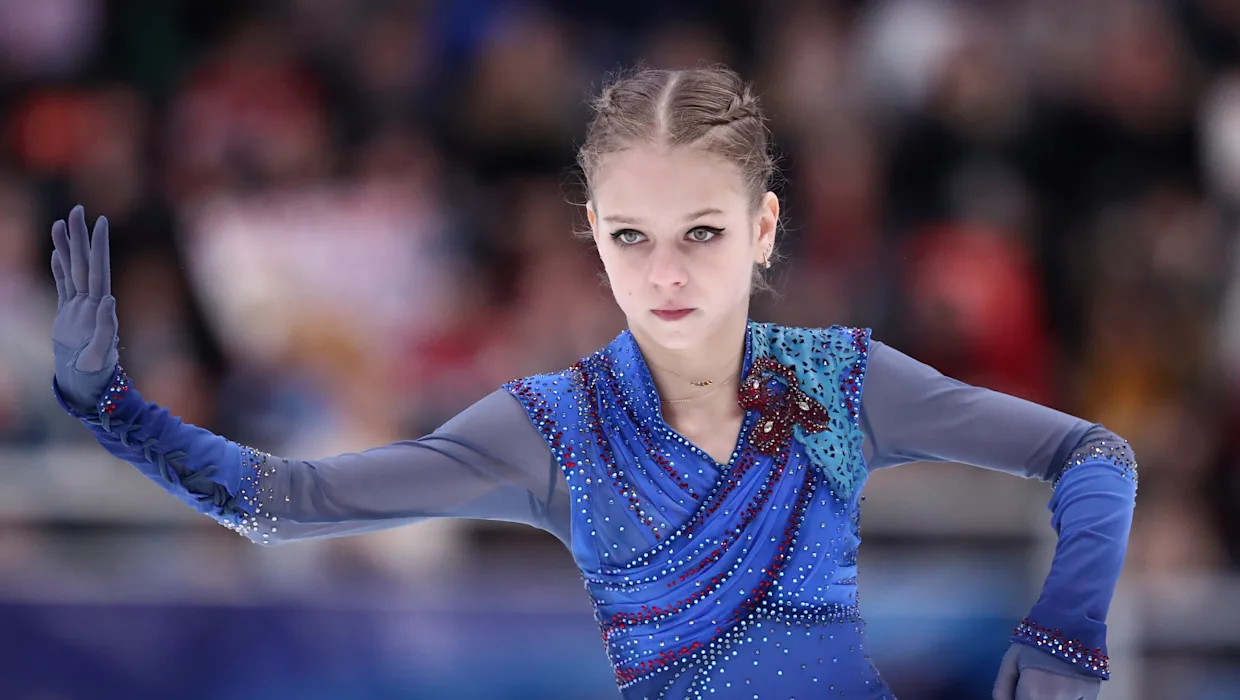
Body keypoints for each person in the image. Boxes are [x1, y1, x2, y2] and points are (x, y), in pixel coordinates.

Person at [48, 66, 1135, 700]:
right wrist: (116, 410)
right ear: (594, 235)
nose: (665, 275)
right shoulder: (550, 428)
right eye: (631, 236)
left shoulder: (839, 383)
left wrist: (1067, 626)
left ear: (762, 229)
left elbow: (1095, 455)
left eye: (701, 233)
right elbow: (288, 503)